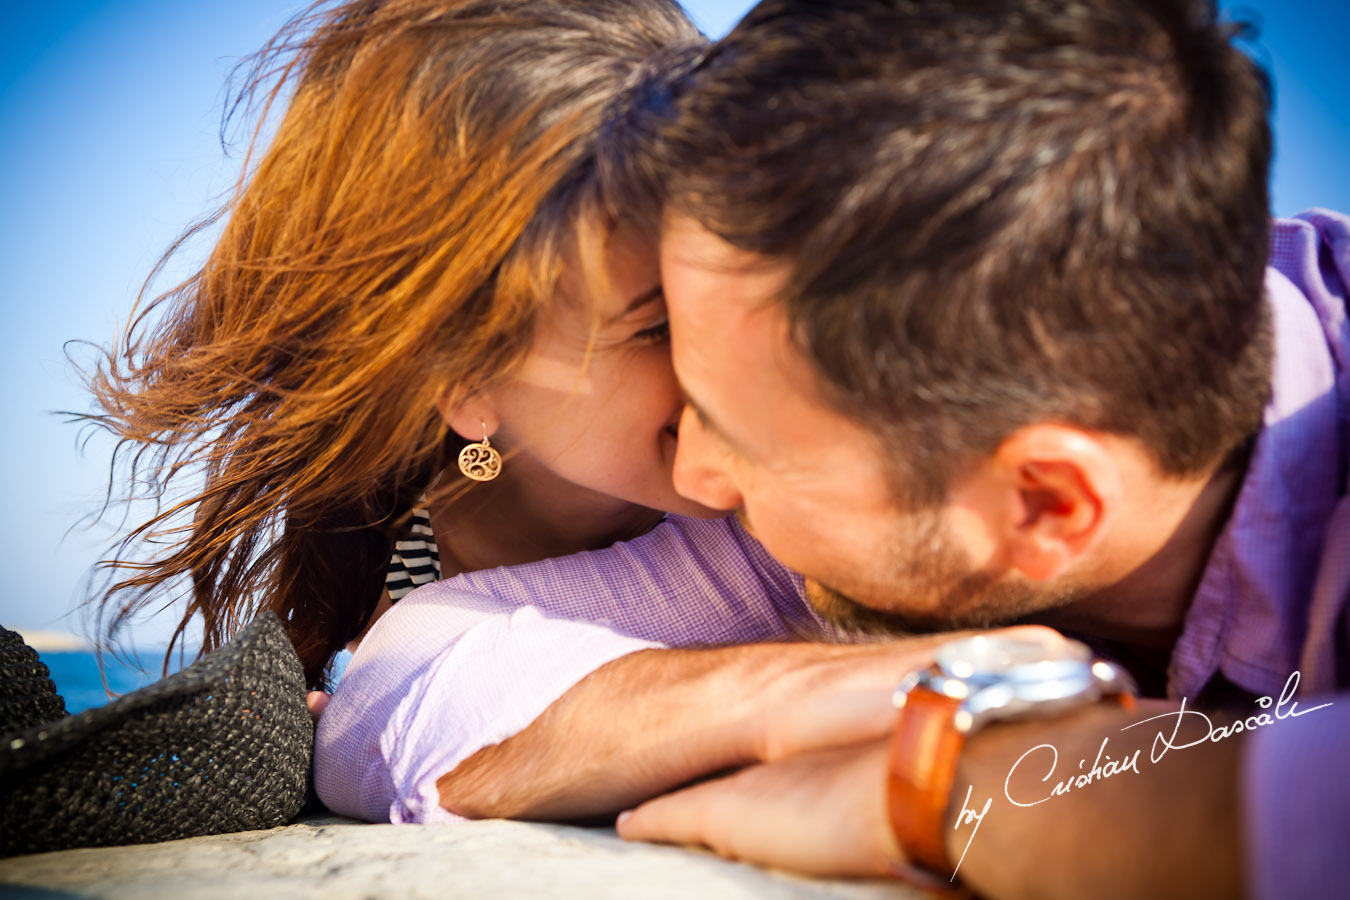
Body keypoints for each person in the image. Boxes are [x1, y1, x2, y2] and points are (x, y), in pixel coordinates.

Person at [318, 0, 1347, 896]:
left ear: (1041, 505)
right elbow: (396, 681)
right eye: (659, 333)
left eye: (744, 439)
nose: (693, 476)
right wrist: (796, 697)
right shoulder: (840, 506)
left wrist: (949, 783)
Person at [78, 0, 720, 690]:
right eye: (653, 326)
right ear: (464, 379)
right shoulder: (401, 572)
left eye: (738, 292)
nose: (727, 349)